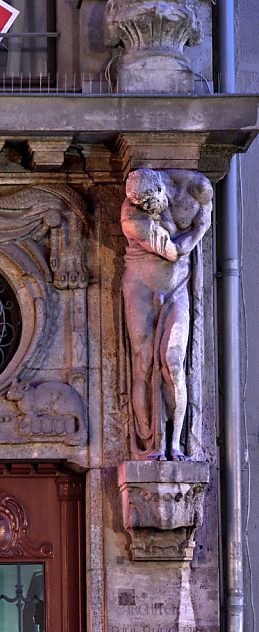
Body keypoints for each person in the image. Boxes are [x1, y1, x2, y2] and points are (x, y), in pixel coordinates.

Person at [121, 167, 212, 460]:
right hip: (141, 290)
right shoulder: (132, 217)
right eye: (142, 205)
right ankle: (151, 443)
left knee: (173, 363)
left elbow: (204, 205)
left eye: (151, 202)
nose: (148, 209)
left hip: (177, 290)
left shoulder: (195, 187)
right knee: (143, 363)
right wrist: (200, 229)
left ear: (160, 187)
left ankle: (175, 443)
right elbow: (172, 252)